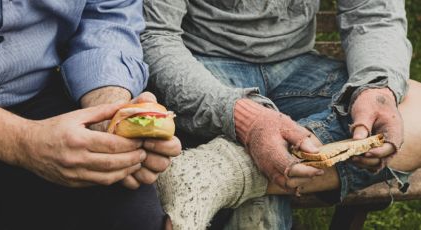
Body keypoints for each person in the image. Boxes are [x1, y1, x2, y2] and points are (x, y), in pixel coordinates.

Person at [141, 0, 421, 229]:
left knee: (414, 112)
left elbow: (373, 14)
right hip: (203, 64)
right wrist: (247, 120)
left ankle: (219, 172)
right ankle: (247, 165)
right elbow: (155, 35)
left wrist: (375, 91)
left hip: (298, 68)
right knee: (259, 198)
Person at [0, 1, 181, 230]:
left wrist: (111, 115)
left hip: (37, 93)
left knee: (136, 216)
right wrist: (20, 140)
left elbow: (107, 16)